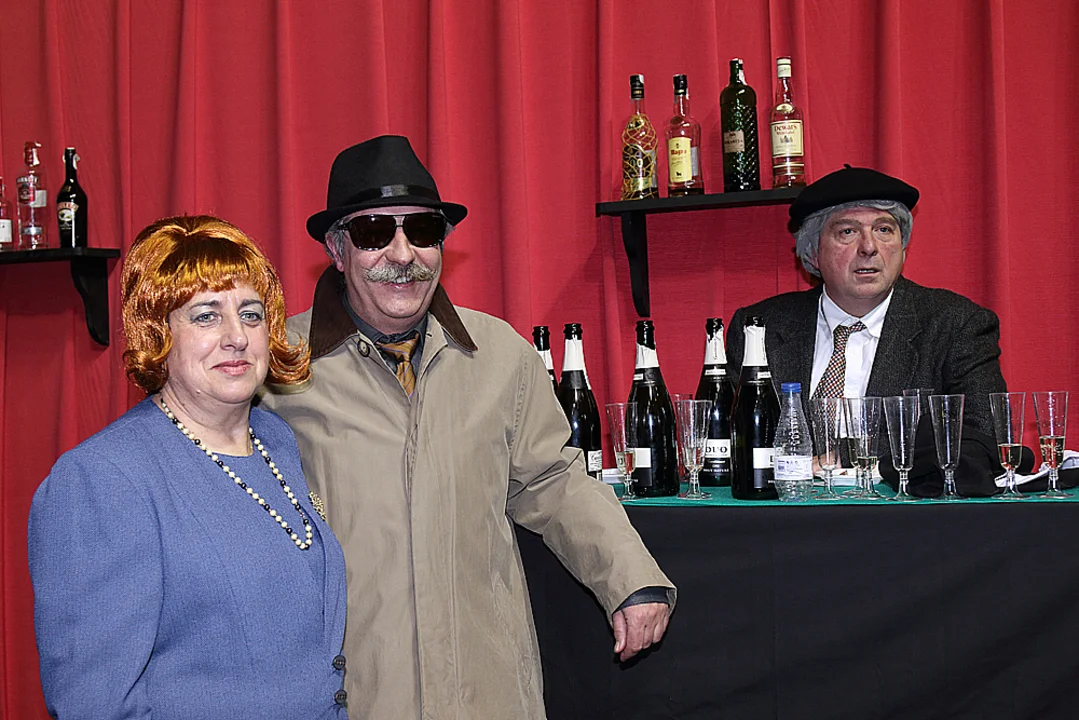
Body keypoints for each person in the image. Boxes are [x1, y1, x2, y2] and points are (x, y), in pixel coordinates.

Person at [258, 135, 675, 718]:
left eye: (422, 230)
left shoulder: (499, 355)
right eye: (374, 232)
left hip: (485, 688)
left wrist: (628, 577)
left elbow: (554, 481)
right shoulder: (275, 367)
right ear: (337, 248)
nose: (402, 253)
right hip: (348, 691)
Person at [28, 216, 349, 720]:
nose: (236, 337)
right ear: (158, 331)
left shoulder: (275, 440)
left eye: (251, 314)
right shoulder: (101, 479)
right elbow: (94, 704)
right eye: (205, 316)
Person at [726, 165, 1007, 493]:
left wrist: (856, 464)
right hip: (784, 516)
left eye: (884, 230)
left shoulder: (956, 324)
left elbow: (985, 440)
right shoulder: (759, 328)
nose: (869, 247)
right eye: (848, 232)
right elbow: (729, 441)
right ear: (813, 253)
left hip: (905, 518)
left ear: (902, 248)